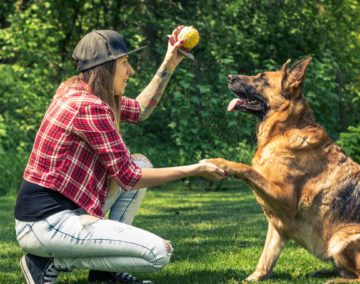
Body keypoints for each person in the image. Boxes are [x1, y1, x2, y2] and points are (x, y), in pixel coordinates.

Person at [14, 28, 225, 284]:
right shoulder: (88, 106)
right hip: (45, 223)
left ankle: (105, 275)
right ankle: (47, 262)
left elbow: (140, 110)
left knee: (140, 161)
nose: (131, 71)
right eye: (125, 63)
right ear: (105, 67)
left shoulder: (82, 91)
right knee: (158, 253)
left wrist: (171, 59)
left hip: (61, 212)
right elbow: (129, 177)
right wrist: (195, 169)